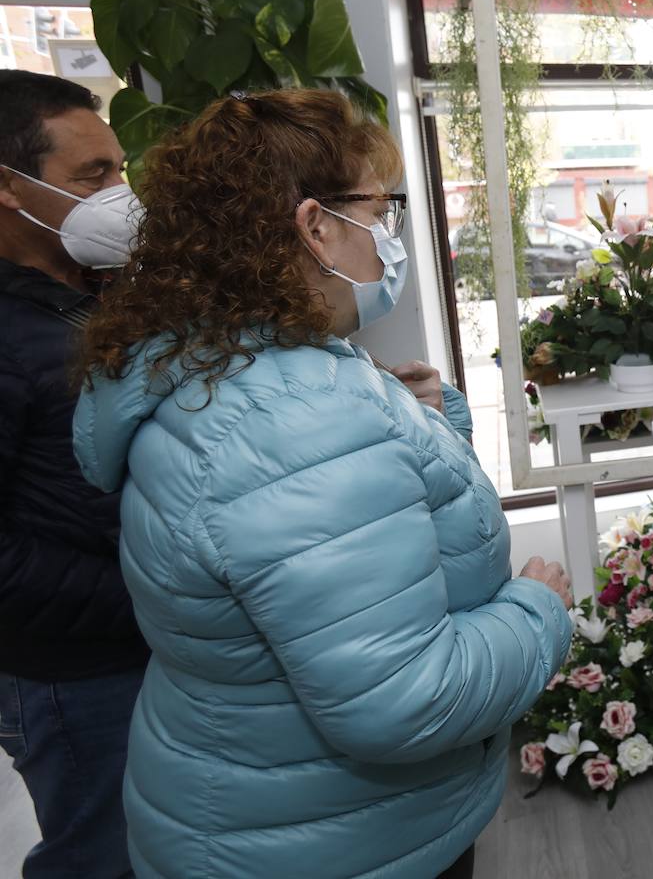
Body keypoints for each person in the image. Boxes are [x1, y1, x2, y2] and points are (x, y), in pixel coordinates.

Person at [72, 88, 574, 878]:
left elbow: (361, 519)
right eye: (379, 211)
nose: (388, 237)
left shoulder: (212, 362)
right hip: (329, 838)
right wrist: (538, 613)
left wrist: (423, 421)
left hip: (261, 807)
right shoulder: (294, 416)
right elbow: (405, 700)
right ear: (315, 227)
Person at [0, 70, 147, 879]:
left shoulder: (85, 296)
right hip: (74, 675)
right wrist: (142, 591)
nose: (120, 194)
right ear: (9, 190)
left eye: (120, 170)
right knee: (104, 858)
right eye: (94, 176)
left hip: (135, 645)